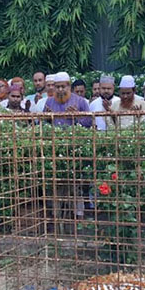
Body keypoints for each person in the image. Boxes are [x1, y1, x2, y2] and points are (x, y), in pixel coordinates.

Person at [44, 72, 92, 219]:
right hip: (55, 148)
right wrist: (46, 119)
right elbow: (42, 124)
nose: (60, 90)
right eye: (57, 87)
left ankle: (78, 215)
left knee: (75, 183)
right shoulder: (49, 102)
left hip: (74, 147)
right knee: (56, 183)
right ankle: (56, 215)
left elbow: (89, 123)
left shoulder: (81, 101)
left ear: (69, 86)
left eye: (63, 86)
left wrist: (77, 117)